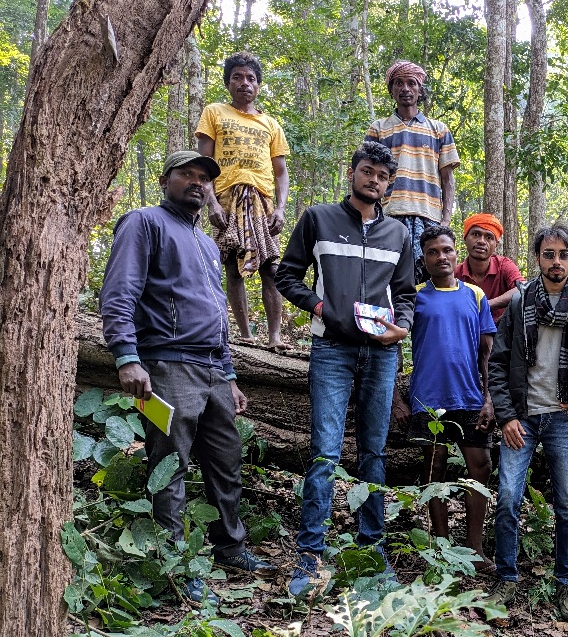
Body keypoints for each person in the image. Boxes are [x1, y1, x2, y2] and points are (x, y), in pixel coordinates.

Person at [100, 150, 273, 605]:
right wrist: (126, 357)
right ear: (164, 180)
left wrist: (231, 374)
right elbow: (120, 291)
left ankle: (230, 547)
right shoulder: (144, 222)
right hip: (165, 363)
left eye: (204, 178)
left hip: (213, 369)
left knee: (226, 461)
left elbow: (217, 313)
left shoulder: (206, 242)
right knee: (169, 465)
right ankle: (176, 565)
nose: (198, 183)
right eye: (187, 175)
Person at [275, 141, 416, 598]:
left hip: (380, 354)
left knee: (374, 453)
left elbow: (408, 294)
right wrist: (321, 308)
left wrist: (403, 329)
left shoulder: (398, 234)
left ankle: (370, 552)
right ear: (352, 173)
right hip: (332, 349)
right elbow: (286, 275)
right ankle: (309, 555)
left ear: (388, 184)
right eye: (366, 171)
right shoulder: (318, 219)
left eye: (381, 175)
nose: (372, 179)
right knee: (325, 452)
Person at [487, 221, 568, 621]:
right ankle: (506, 578)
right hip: (522, 420)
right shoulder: (521, 301)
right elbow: (498, 362)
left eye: (563, 254)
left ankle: (565, 585)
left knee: (567, 504)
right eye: (548, 254)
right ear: (538, 257)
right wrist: (506, 415)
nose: (556, 262)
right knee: (508, 497)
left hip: (564, 419)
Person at [393, 225, 497, 568]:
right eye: (433, 252)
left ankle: (473, 548)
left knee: (480, 466)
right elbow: (392, 345)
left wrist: (488, 398)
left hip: (468, 396)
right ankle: (441, 547)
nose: (442, 257)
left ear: (457, 254)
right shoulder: (414, 295)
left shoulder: (475, 295)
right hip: (428, 398)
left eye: (447, 250)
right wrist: (398, 396)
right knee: (433, 468)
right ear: (424, 259)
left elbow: (486, 354)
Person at [195, 51, 291, 350]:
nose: (244, 83)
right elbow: (203, 164)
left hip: (262, 201)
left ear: (258, 85)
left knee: (272, 268)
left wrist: (280, 208)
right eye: (237, 77)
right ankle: (246, 334)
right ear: (228, 83)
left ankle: (275, 337)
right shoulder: (214, 112)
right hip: (227, 198)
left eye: (250, 78)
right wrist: (210, 203)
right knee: (233, 267)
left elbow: (281, 172)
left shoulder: (271, 124)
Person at [366, 60, 460, 282]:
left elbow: (447, 179)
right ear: (391, 90)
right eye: (398, 83)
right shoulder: (378, 128)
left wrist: (445, 220)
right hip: (388, 214)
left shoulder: (438, 129)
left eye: (411, 83)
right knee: (387, 276)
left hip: (428, 216)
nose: (405, 89)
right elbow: (368, 174)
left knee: (427, 279)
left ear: (420, 90)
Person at [454, 213, 525, 322]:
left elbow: (523, 289)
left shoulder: (504, 265)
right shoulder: (456, 274)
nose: (482, 241)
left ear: (496, 244)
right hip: (466, 330)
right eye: (475, 234)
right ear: (465, 238)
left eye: (489, 237)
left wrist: (486, 305)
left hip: (502, 331)